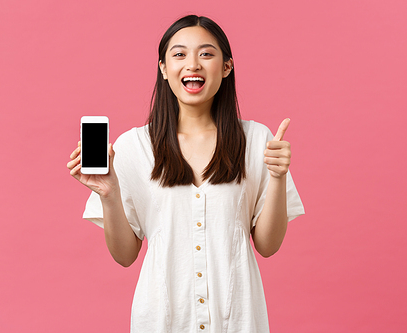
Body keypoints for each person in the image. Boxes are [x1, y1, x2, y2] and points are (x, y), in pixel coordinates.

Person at [67, 14, 304, 333]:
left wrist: (276, 177)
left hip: (236, 321)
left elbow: (267, 246)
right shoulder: (134, 146)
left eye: (206, 54)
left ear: (226, 67)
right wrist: (108, 193)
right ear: (163, 68)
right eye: (179, 54)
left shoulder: (258, 140)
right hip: (161, 321)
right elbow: (125, 256)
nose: (193, 64)